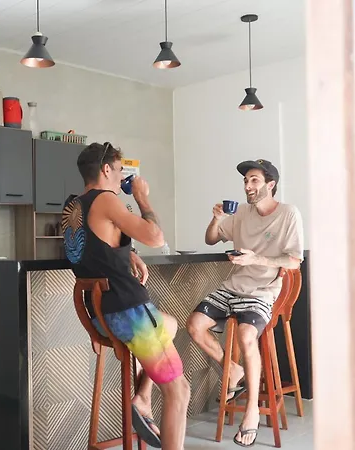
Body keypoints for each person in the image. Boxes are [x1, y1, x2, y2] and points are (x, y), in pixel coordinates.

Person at [62, 142, 190, 450]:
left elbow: (93, 248)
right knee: (179, 390)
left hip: (102, 316)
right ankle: (146, 403)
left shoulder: (73, 205)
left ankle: (143, 397)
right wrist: (142, 197)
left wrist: (126, 253)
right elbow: (155, 238)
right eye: (120, 170)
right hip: (128, 312)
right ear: (106, 169)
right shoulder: (107, 199)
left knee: (170, 324)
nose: (122, 177)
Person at [187, 159, 304, 447]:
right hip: (233, 287)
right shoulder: (240, 213)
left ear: (270, 185)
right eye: (245, 181)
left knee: (246, 334)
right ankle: (233, 370)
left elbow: (294, 260)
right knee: (195, 325)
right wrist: (216, 219)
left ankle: (251, 411)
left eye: (254, 180)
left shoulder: (288, 214)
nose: (247, 186)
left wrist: (256, 259)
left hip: (263, 291)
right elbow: (211, 239)